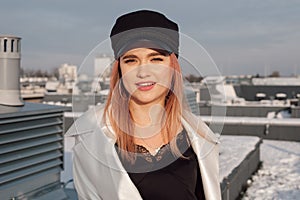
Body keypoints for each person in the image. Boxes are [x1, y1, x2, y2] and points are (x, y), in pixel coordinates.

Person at [66, 9, 221, 200]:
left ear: (172, 67)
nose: (143, 72)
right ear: (120, 69)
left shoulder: (199, 136)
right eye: (131, 60)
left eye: (156, 59)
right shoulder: (91, 138)